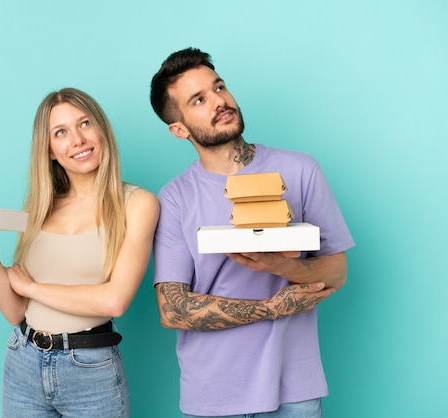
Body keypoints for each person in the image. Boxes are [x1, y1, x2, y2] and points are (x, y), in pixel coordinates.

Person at [0, 87, 159, 418]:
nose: (77, 139)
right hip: (23, 359)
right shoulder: (39, 208)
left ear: (101, 130)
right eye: (60, 132)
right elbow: (14, 310)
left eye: (85, 123)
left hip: (90, 368)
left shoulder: (137, 204)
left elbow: (115, 301)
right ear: (49, 150)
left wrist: (34, 288)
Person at [149, 48, 355, 418]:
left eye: (219, 87)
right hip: (211, 394)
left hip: (294, 388)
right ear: (178, 129)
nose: (219, 102)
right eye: (199, 100)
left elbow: (337, 272)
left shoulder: (300, 170)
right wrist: (269, 309)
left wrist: (281, 266)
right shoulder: (175, 198)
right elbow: (173, 309)